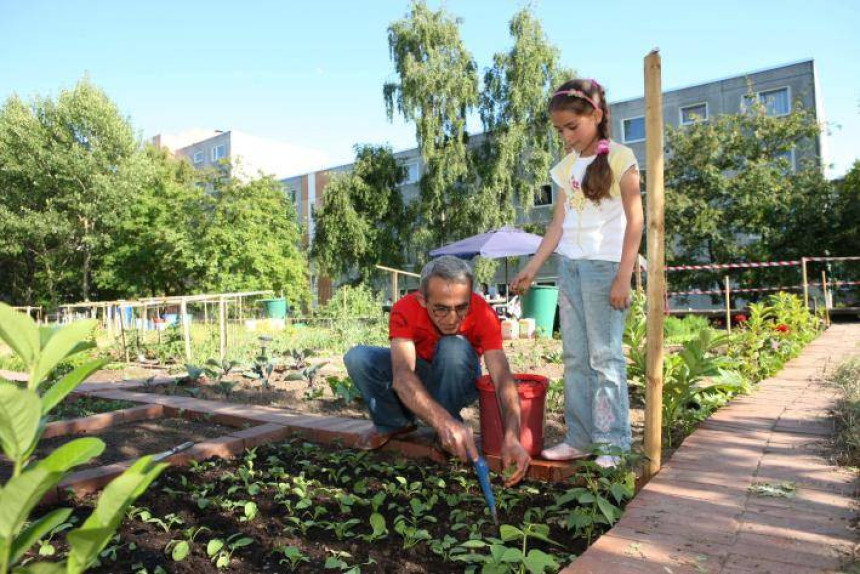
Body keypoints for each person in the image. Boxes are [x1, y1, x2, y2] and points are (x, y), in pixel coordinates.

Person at [511, 78, 643, 468]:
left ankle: (614, 443)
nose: (567, 136)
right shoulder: (566, 168)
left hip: (605, 269)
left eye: (573, 127)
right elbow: (557, 226)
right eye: (560, 130)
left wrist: (624, 276)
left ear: (597, 116)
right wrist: (532, 268)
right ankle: (581, 438)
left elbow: (636, 222)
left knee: (605, 357)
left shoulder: (621, 158)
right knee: (574, 357)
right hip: (569, 269)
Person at [344, 256, 531, 486]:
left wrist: (512, 436)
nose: (453, 319)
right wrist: (441, 422)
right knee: (358, 358)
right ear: (423, 300)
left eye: (461, 307)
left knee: (452, 345)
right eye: (441, 309)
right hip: (419, 378)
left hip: (459, 375)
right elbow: (402, 376)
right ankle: (395, 424)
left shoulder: (483, 314)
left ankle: (449, 429)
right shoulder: (405, 308)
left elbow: (502, 379)